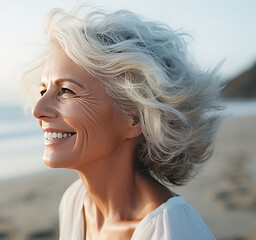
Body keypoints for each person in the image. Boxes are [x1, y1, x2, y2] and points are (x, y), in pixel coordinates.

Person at [24, 6, 223, 240]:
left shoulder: (171, 231)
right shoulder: (74, 203)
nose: (38, 110)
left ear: (135, 116)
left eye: (66, 90)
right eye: (43, 90)